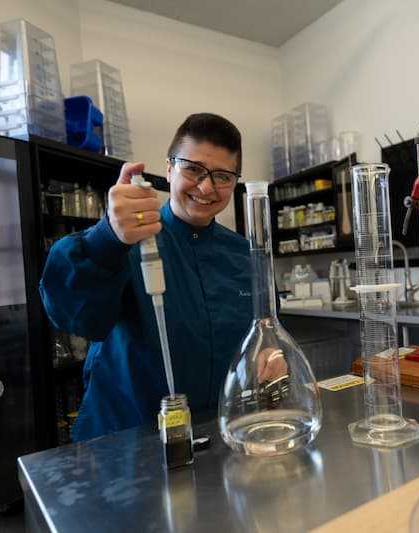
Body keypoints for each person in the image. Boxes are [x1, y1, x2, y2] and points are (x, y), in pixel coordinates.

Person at [41, 113, 266, 441]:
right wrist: (107, 238)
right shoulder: (124, 240)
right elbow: (75, 317)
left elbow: (258, 333)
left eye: (222, 176)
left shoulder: (244, 255)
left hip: (212, 435)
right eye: (193, 169)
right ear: (170, 168)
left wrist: (268, 354)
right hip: (124, 443)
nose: (207, 187)